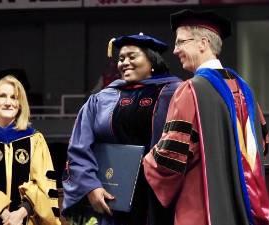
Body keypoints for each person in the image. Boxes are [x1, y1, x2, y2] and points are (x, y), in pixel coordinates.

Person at [143, 9, 269, 225]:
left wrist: (145, 162)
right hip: (246, 209)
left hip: (201, 210)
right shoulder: (246, 91)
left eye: (181, 42)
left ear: (203, 43)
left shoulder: (190, 90)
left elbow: (169, 159)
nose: (175, 50)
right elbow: (264, 145)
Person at [61, 33, 182, 225]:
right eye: (121, 58)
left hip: (160, 197)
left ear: (152, 61)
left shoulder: (175, 93)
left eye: (132, 56)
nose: (124, 62)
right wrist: (91, 187)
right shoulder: (102, 99)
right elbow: (79, 147)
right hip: (112, 196)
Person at [0, 75, 60, 225]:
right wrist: (5, 214)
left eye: (14, 97)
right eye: (2, 96)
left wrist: (21, 213)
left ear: (20, 104)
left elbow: (44, 185)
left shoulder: (34, 139)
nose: (8, 103)